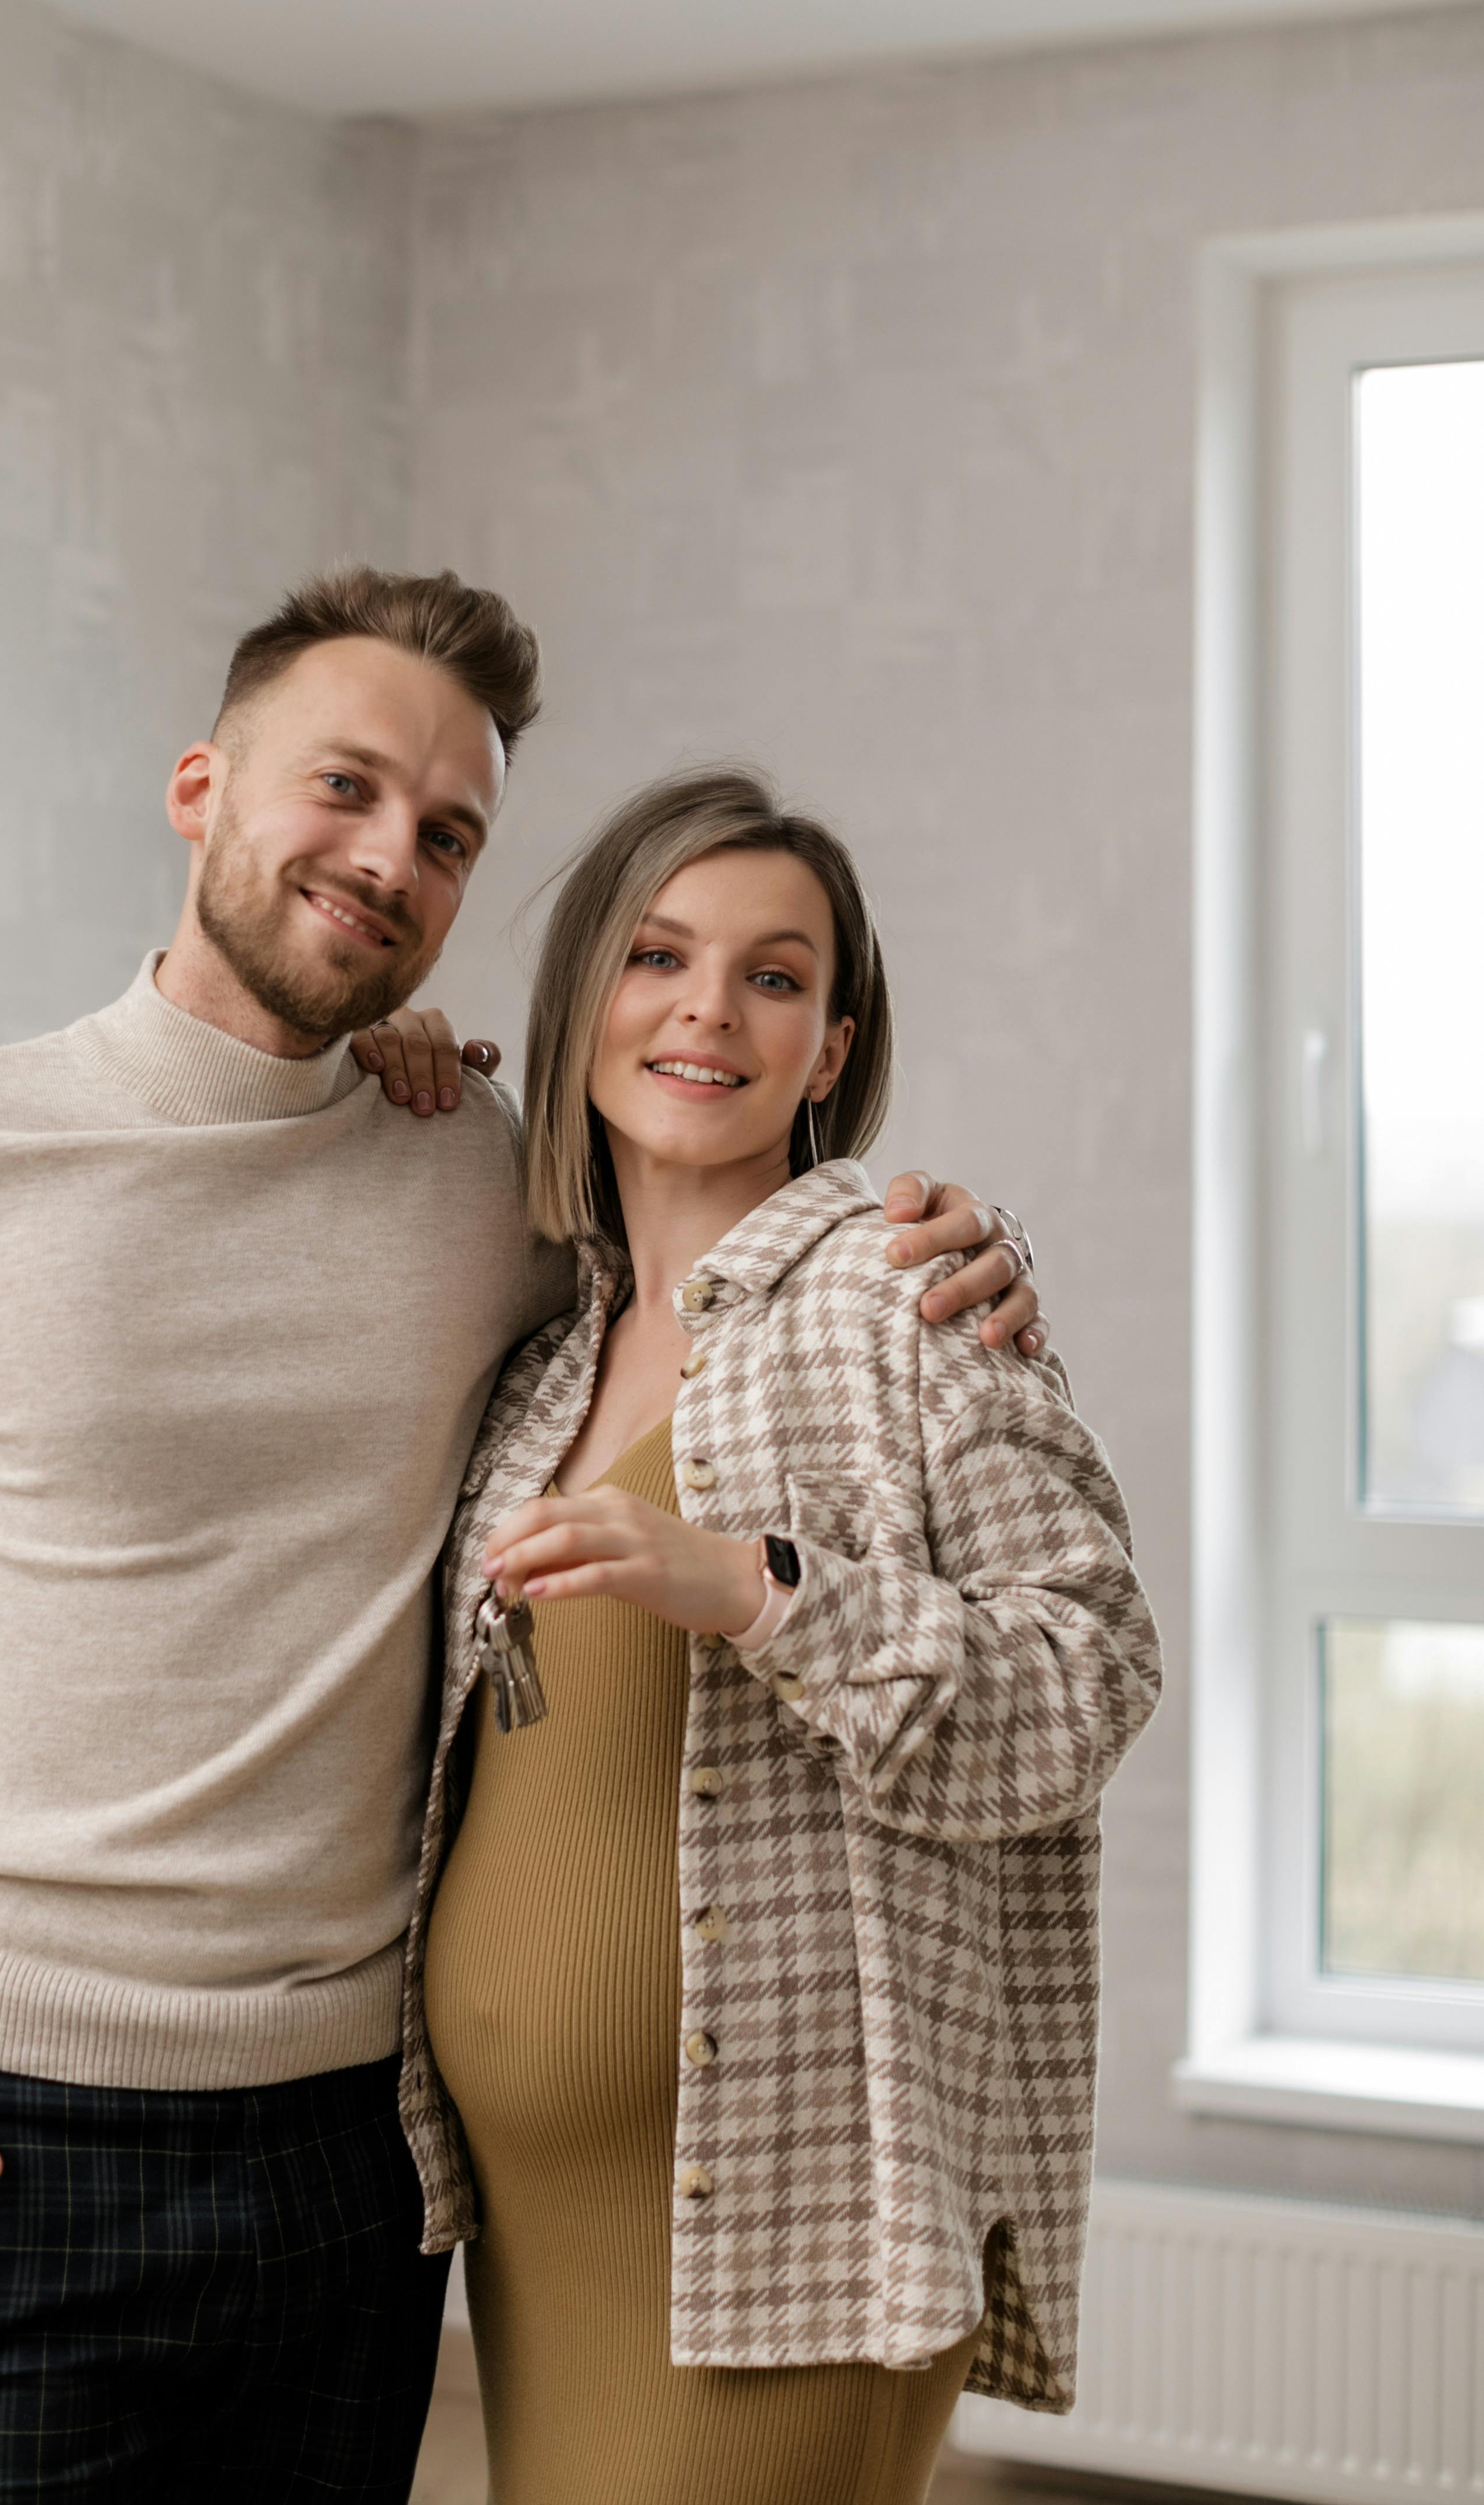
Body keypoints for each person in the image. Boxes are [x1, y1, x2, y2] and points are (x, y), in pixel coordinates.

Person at [0, 569, 1051, 2505]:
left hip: (354, 2153)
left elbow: (721, 1255)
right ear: (202, 787)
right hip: (7, 2134)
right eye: (345, 788)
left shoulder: (471, 1176)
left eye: (449, 832)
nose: (390, 856)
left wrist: (956, 1242)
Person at [402, 766, 1161, 2505]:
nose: (705, 1009)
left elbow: (1089, 1668)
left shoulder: (909, 1297)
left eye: (772, 973)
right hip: (545, 2217)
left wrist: (755, 1589)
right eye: (657, 955)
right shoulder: (540, 1353)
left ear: (828, 1048)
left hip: (787, 2215)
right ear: (583, 995)